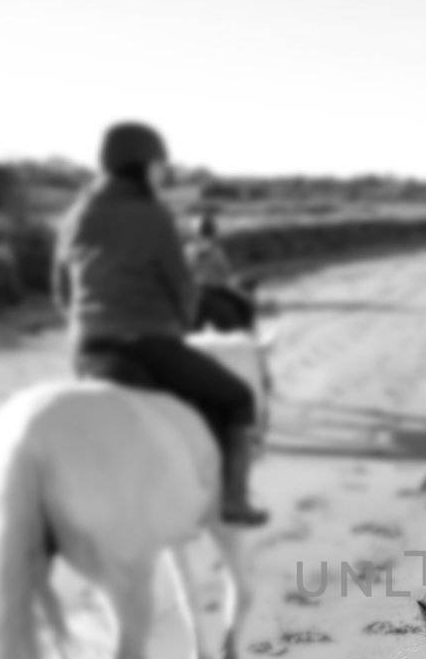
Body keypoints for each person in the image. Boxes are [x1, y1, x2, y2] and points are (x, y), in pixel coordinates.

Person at [54, 122, 267, 525]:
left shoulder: (73, 215)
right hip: (147, 344)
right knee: (238, 397)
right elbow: (182, 287)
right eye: (158, 167)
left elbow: (61, 290)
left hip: (85, 350)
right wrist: (179, 326)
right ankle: (234, 500)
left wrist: (85, 324)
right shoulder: (152, 215)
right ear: (140, 167)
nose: (161, 175)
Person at [187, 210, 256, 331]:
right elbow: (227, 274)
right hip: (215, 291)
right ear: (212, 231)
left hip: (193, 292)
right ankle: (251, 334)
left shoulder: (188, 250)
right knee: (246, 305)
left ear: (196, 233)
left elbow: (184, 272)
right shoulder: (216, 251)